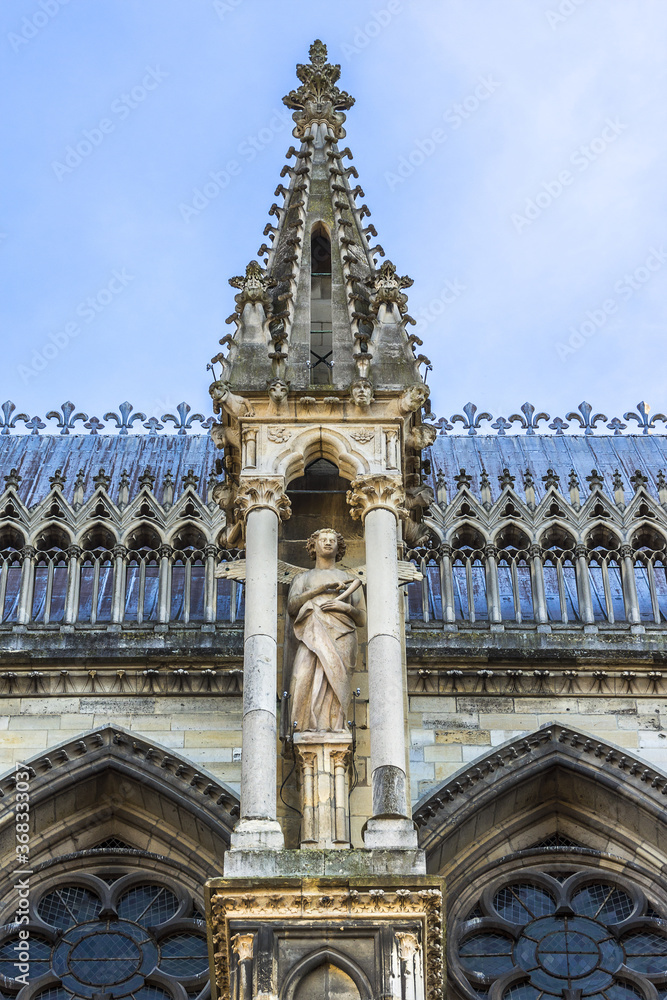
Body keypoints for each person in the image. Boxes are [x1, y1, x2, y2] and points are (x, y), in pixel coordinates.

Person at [287, 528, 366, 732]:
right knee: (301, 676)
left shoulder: (348, 578)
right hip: (310, 634)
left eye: (332, 540)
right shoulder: (302, 579)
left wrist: (343, 607)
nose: (328, 542)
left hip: (342, 635)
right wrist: (320, 590)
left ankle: (335, 728)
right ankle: (305, 728)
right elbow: (292, 607)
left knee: (335, 682)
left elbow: (362, 618)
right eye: (323, 540)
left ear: (339, 547)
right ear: (313, 545)